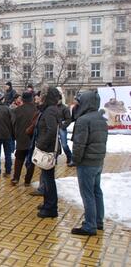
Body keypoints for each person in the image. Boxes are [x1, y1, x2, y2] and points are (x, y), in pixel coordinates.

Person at [71, 91, 108, 236]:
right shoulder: (101, 118)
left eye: (79, 103)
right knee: (96, 191)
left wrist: (76, 160)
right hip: (98, 161)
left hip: (86, 163)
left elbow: (79, 145)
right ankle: (98, 221)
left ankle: (90, 225)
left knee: (87, 194)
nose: (77, 105)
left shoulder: (83, 120)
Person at [36, 87, 61, 218]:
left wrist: (40, 145)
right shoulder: (50, 109)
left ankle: (51, 207)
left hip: (48, 150)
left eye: (41, 95)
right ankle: (48, 203)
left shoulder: (50, 110)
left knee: (48, 179)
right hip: (47, 149)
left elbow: (51, 131)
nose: (39, 97)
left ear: (47, 97)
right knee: (46, 178)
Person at [12, 92, 37, 186]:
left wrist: (15, 135)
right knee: (31, 160)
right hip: (33, 138)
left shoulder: (17, 110)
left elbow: (13, 124)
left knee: (19, 158)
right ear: (31, 99)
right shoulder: (36, 110)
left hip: (21, 138)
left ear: (22, 99)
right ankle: (27, 180)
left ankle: (16, 178)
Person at [57, 95, 73, 166]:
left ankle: (69, 156)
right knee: (54, 145)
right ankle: (54, 159)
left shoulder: (65, 108)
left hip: (62, 128)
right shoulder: (53, 107)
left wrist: (63, 126)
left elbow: (69, 119)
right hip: (54, 128)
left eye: (58, 100)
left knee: (64, 144)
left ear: (60, 100)